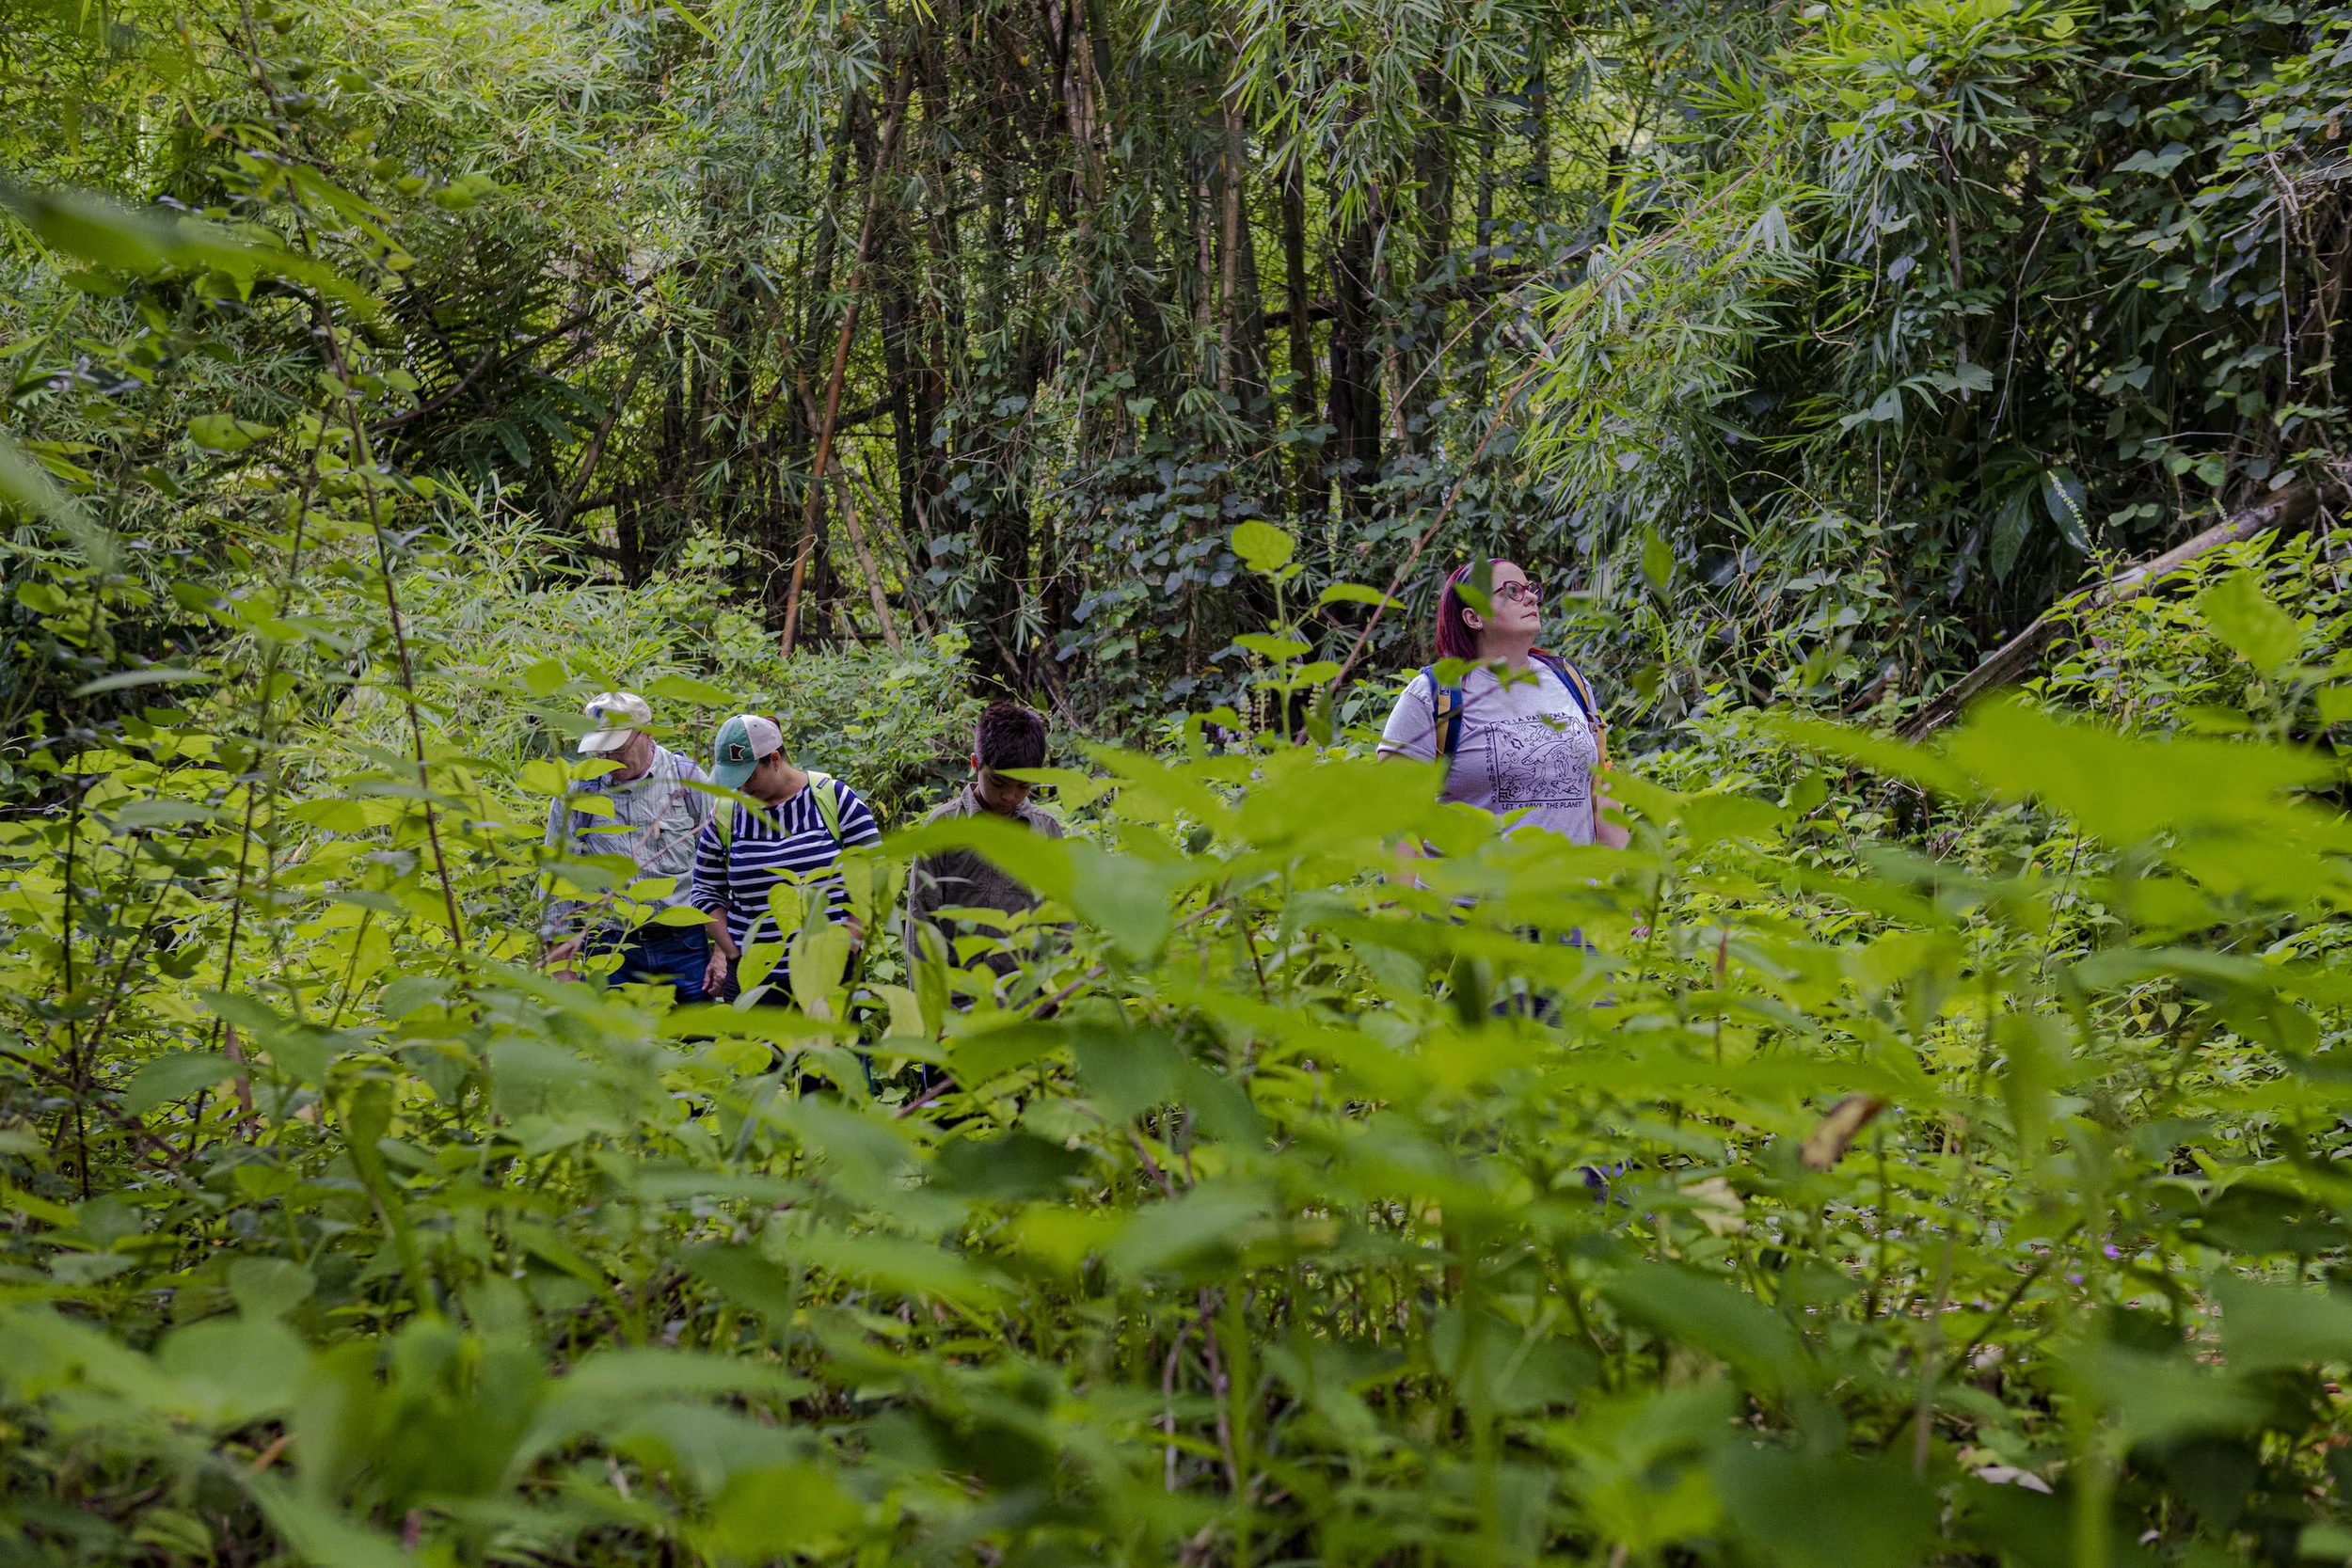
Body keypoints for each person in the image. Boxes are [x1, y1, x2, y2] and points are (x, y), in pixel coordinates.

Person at [1378, 558, 1629, 852]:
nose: (1531, 597)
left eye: (1530, 588)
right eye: (1512, 590)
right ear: (1474, 617)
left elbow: (1600, 791)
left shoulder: (1569, 680)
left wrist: (1627, 884)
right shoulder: (1433, 694)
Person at [690, 712, 882, 1004]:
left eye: (749, 776)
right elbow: (705, 890)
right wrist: (733, 952)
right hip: (753, 980)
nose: (741, 787)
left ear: (775, 760)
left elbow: (873, 876)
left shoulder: (834, 800)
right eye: (734, 779)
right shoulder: (726, 815)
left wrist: (848, 946)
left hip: (828, 974)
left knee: (832, 1049)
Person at [540, 691, 717, 1004]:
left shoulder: (688, 781)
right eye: (599, 750)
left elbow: (718, 869)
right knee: (614, 1047)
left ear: (647, 734)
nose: (607, 759)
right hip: (608, 945)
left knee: (699, 1041)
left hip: (685, 944)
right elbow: (557, 882)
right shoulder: (577, 794)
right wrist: (561, 968)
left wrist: (724, 953)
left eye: (617, 748)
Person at [905, 700, 1066, 977]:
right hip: (959, 1002)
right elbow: (921, 924)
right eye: (999, 783)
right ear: (975, 764)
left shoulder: (1046, 831)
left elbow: (1062, 923)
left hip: (1027, 1002)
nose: (1010, 796)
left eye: (1023, 786)